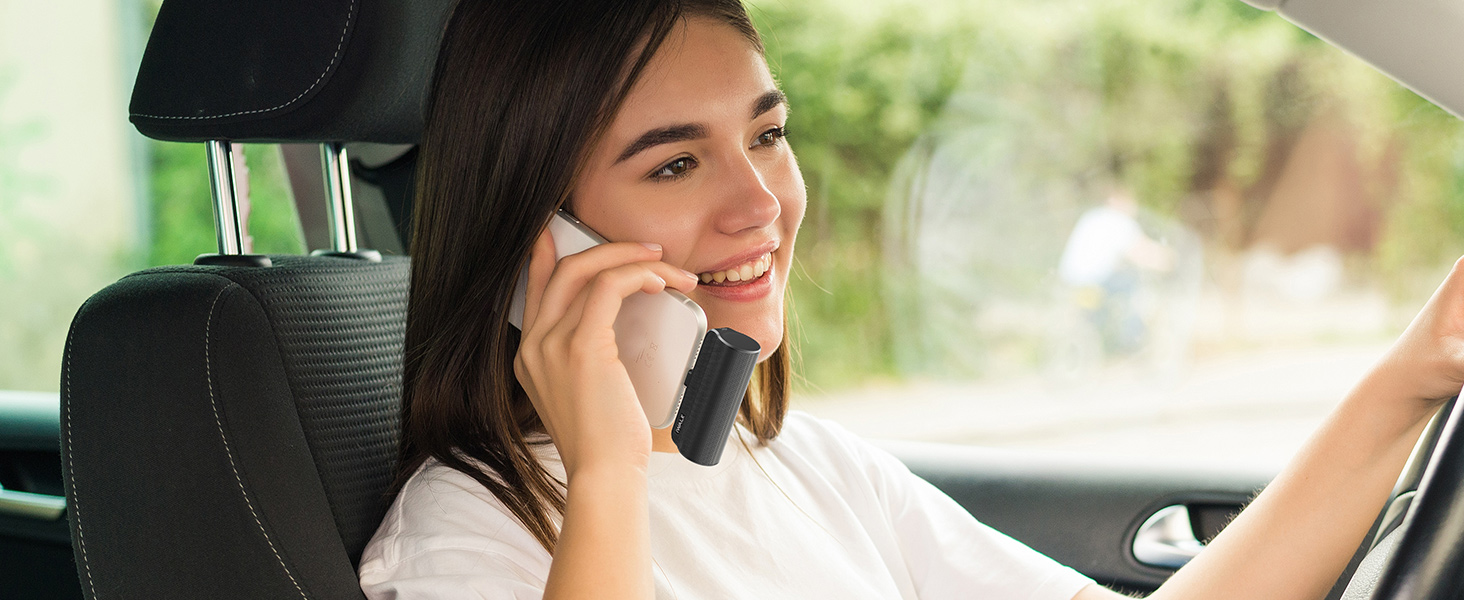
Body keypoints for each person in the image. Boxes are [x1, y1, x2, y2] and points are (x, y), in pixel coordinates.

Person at [357, 1, 1464, 598]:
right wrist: (606, 478)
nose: (762, 204)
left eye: (767, 136)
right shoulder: (464, 533)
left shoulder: (798, 464)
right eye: (676, 164)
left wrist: (1416, 373)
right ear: (538, 242)